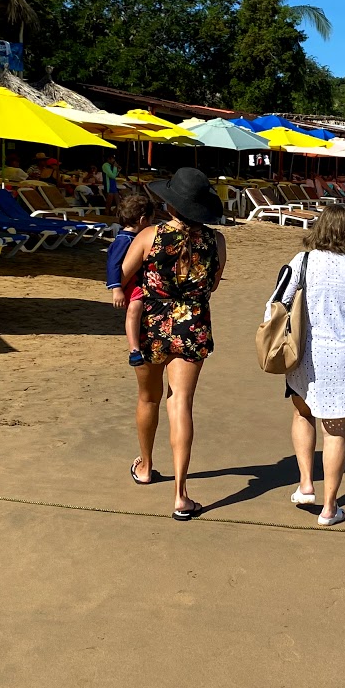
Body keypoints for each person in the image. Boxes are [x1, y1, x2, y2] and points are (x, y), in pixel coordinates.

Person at [269, 205, 345, 527]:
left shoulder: (303, 261)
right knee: (335, 433)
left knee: (302, 412)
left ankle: (307, 483)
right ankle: (329, 508)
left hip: (304, 354)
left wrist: (271, 333)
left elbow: (277, 301)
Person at [120, 168, 227, 520]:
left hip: (152, 322)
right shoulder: (216, 241)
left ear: (171, 205)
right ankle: (181, 493)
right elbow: (212, 284)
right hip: (193, 323)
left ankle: (147, 465)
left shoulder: (150, 236)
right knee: (180, 402)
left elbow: (122, 273)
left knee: (148, 397)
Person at [106, 191, 155, 371]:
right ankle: (134, 348)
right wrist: (116, 288)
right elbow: (113, 265)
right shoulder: (124, 240)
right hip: (131, 284)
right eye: (149, 221)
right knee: (134, 309)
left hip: (138, 282)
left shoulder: (130, 238)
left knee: (139, 309)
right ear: (142, 220)